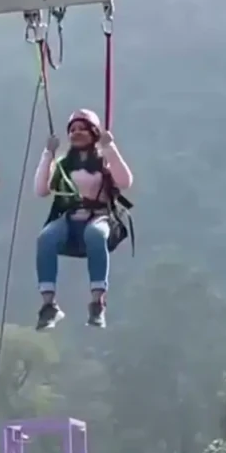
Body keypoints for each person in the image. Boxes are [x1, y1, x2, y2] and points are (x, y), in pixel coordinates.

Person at [33, 109, 133, 330]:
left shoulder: (103, 161)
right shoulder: (63, 164)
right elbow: (41, 190)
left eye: (82, 129)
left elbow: (125, 182)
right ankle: (49, 304)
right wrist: (48, 154)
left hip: (100, 217)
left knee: (95, 235)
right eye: (73, 130)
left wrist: (110, 148)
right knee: (45, 239)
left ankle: (98, 302)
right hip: (70, 219)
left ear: (93, 132)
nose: (76, 133)